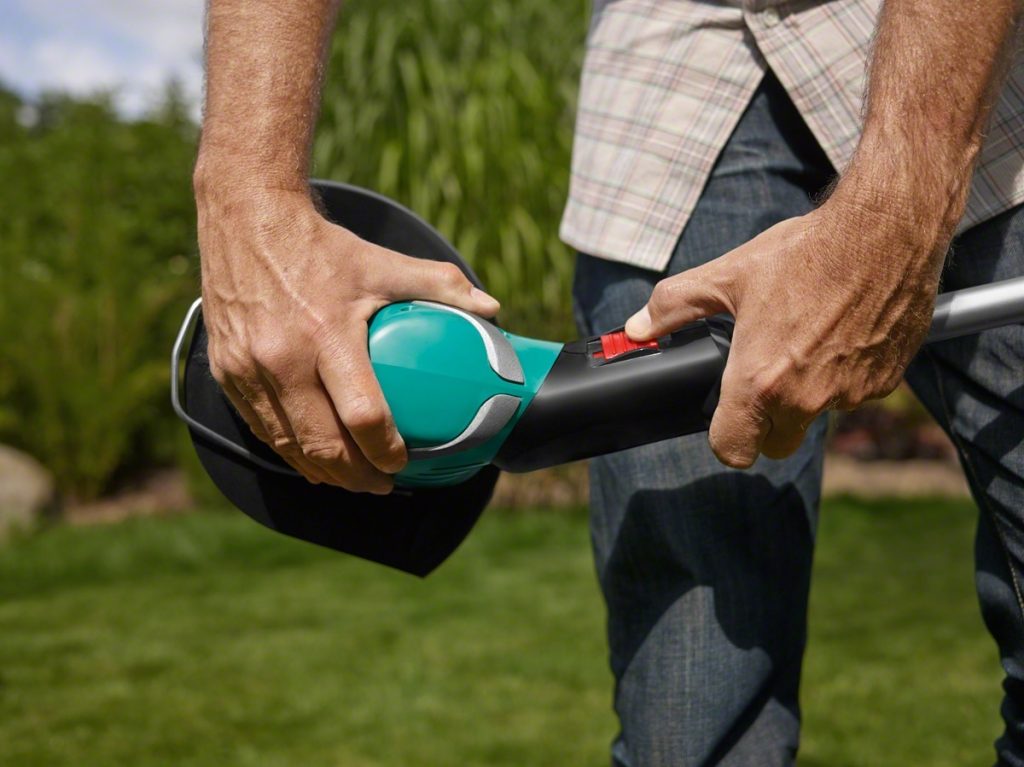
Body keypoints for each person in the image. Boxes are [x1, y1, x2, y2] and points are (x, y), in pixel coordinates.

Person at [194, 0, 1024, 763]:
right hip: (668, 95)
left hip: (964, 60)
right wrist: (249, 199)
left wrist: (897, 206)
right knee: (686, 728)